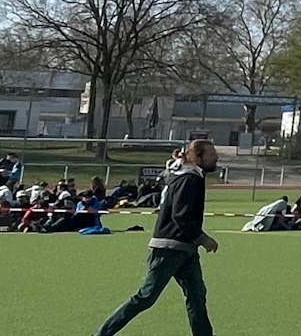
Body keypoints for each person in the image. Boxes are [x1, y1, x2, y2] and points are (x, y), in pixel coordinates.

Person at [91, 139, 220, 336]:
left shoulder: (186, 175)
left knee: (197, 296)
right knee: (146, 297)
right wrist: (203, 239)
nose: (216, 158)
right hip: (169, 248)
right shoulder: (189, 179)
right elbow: (180, 215)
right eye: (211, 155)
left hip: (185, 249)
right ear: (197, 157)